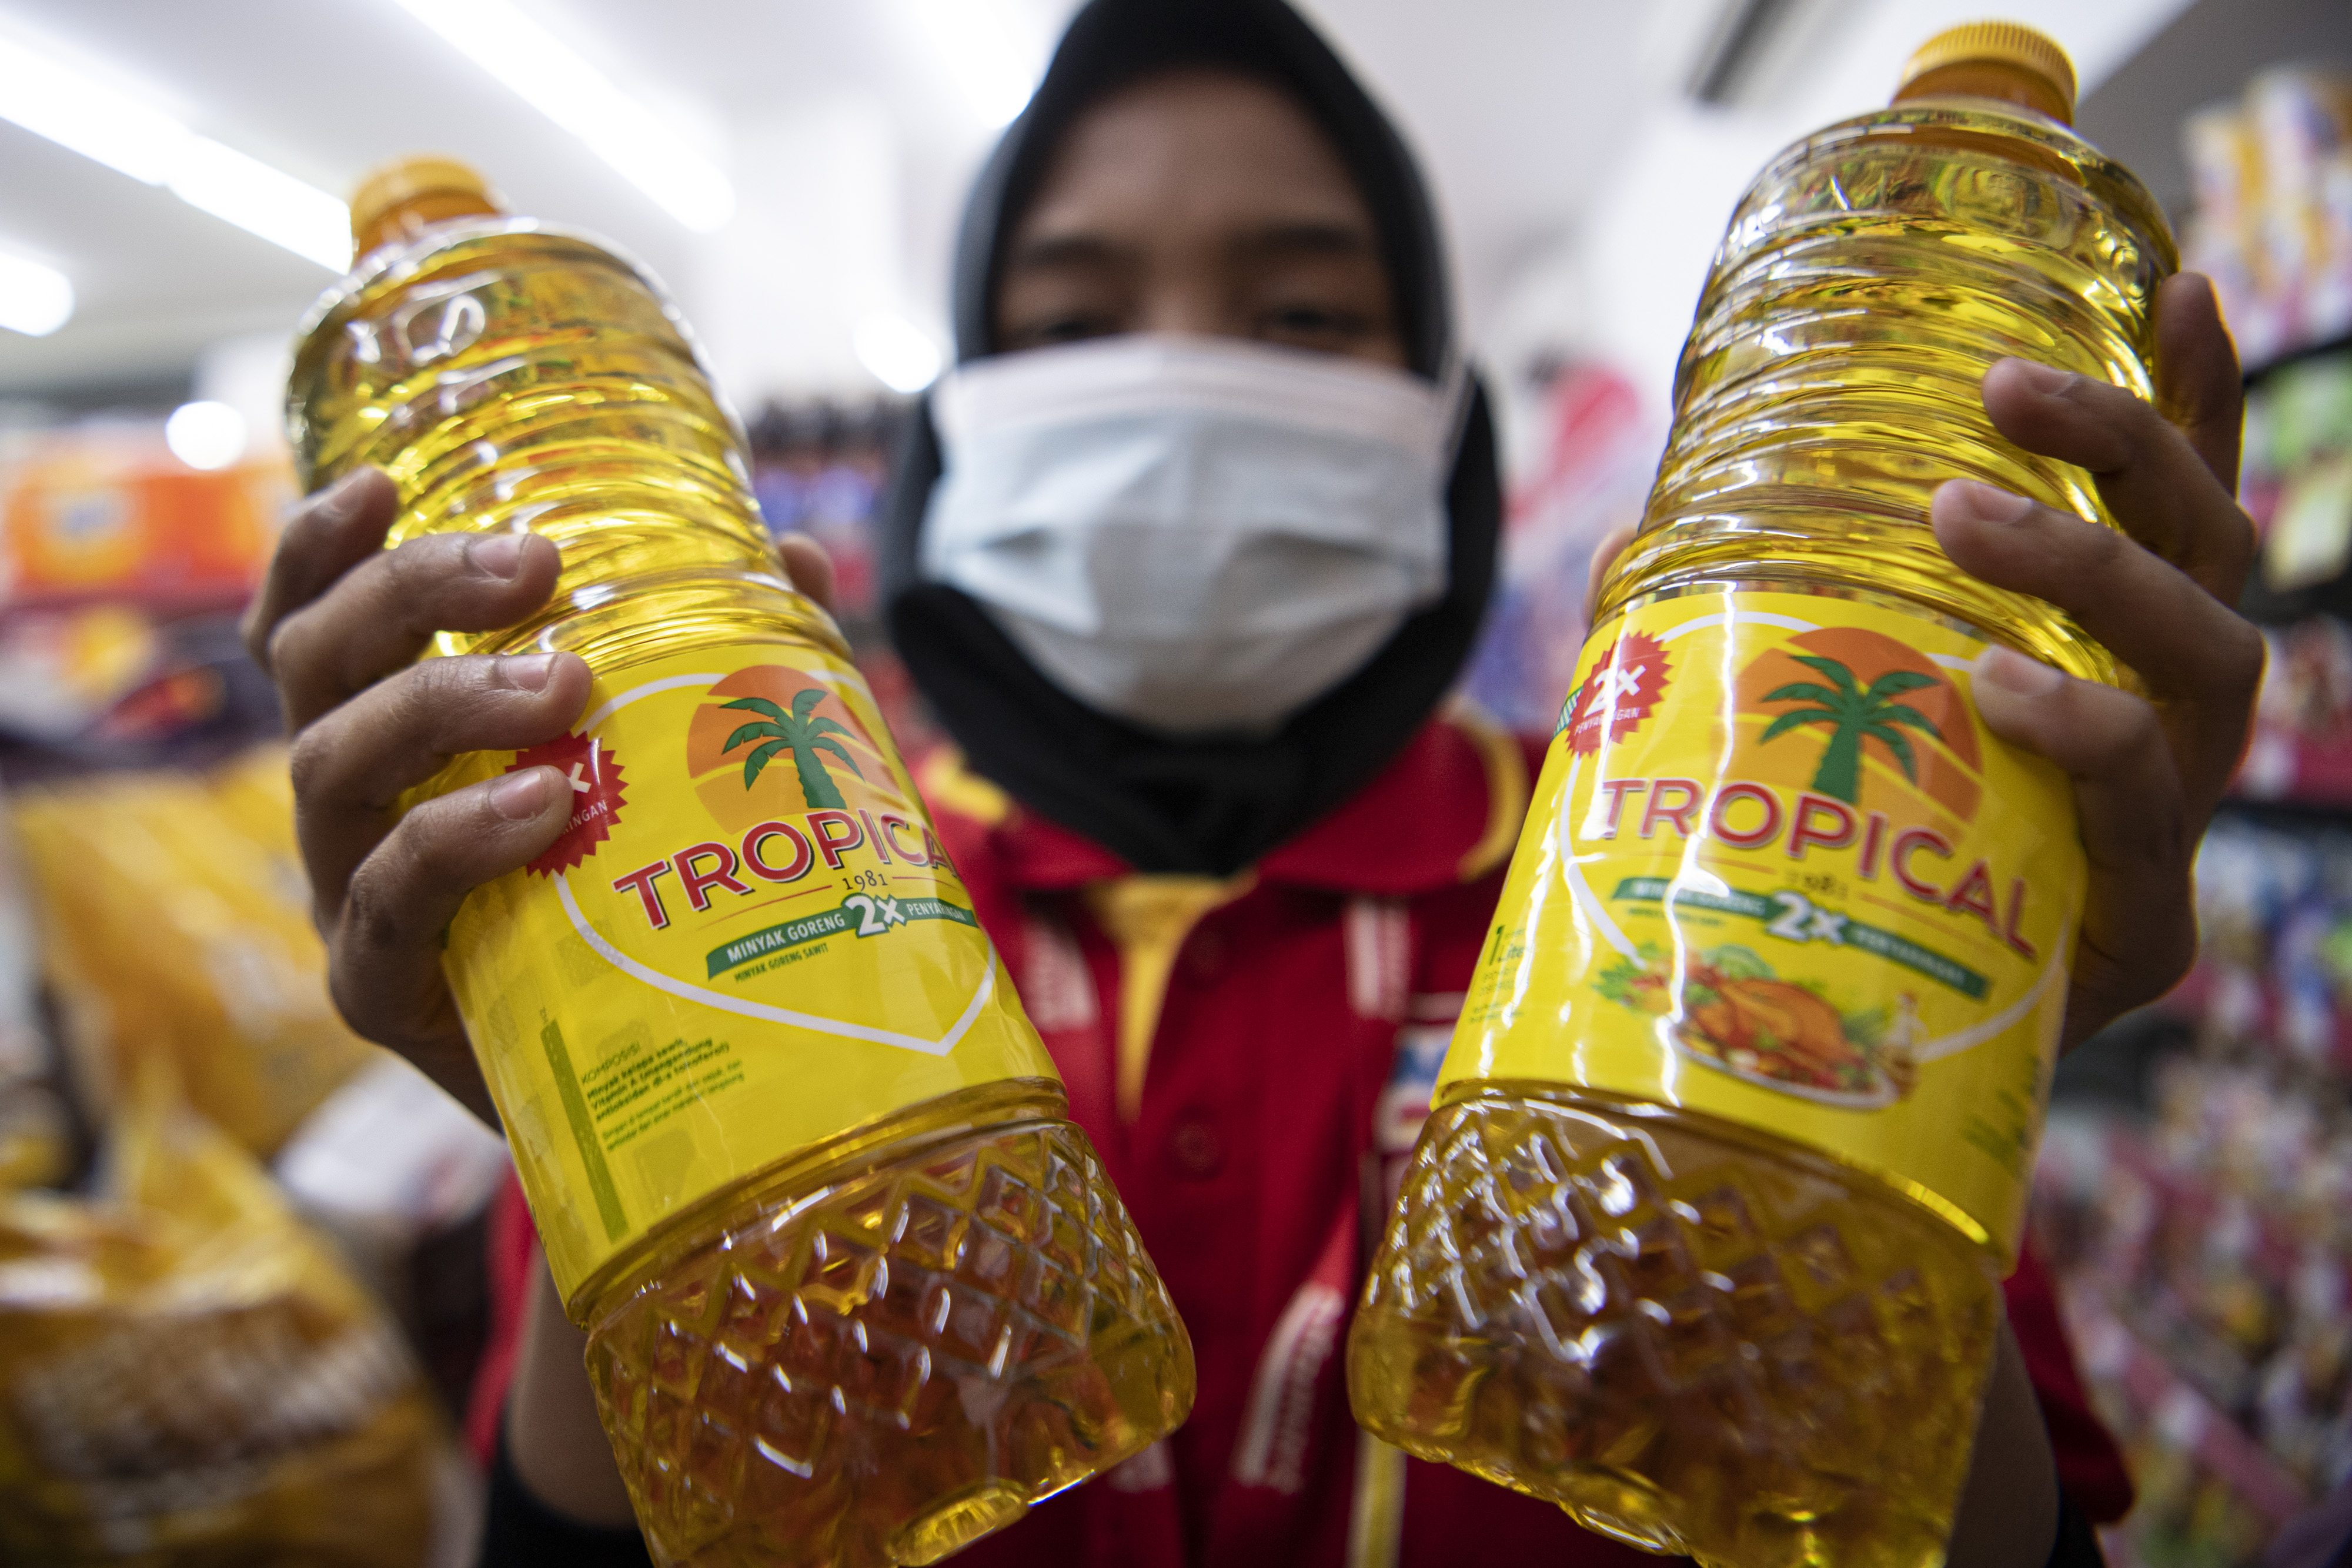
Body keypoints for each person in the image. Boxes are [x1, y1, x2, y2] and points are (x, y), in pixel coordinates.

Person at [240, 2, 2260, 1563]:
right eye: (1074, 318)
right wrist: (587, 1123)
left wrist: (1949, 1069)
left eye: (1302, 311)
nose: (1182, 378)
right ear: (959, 425)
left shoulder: (1699, 878)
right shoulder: (720, 916)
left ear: (1438, 424)